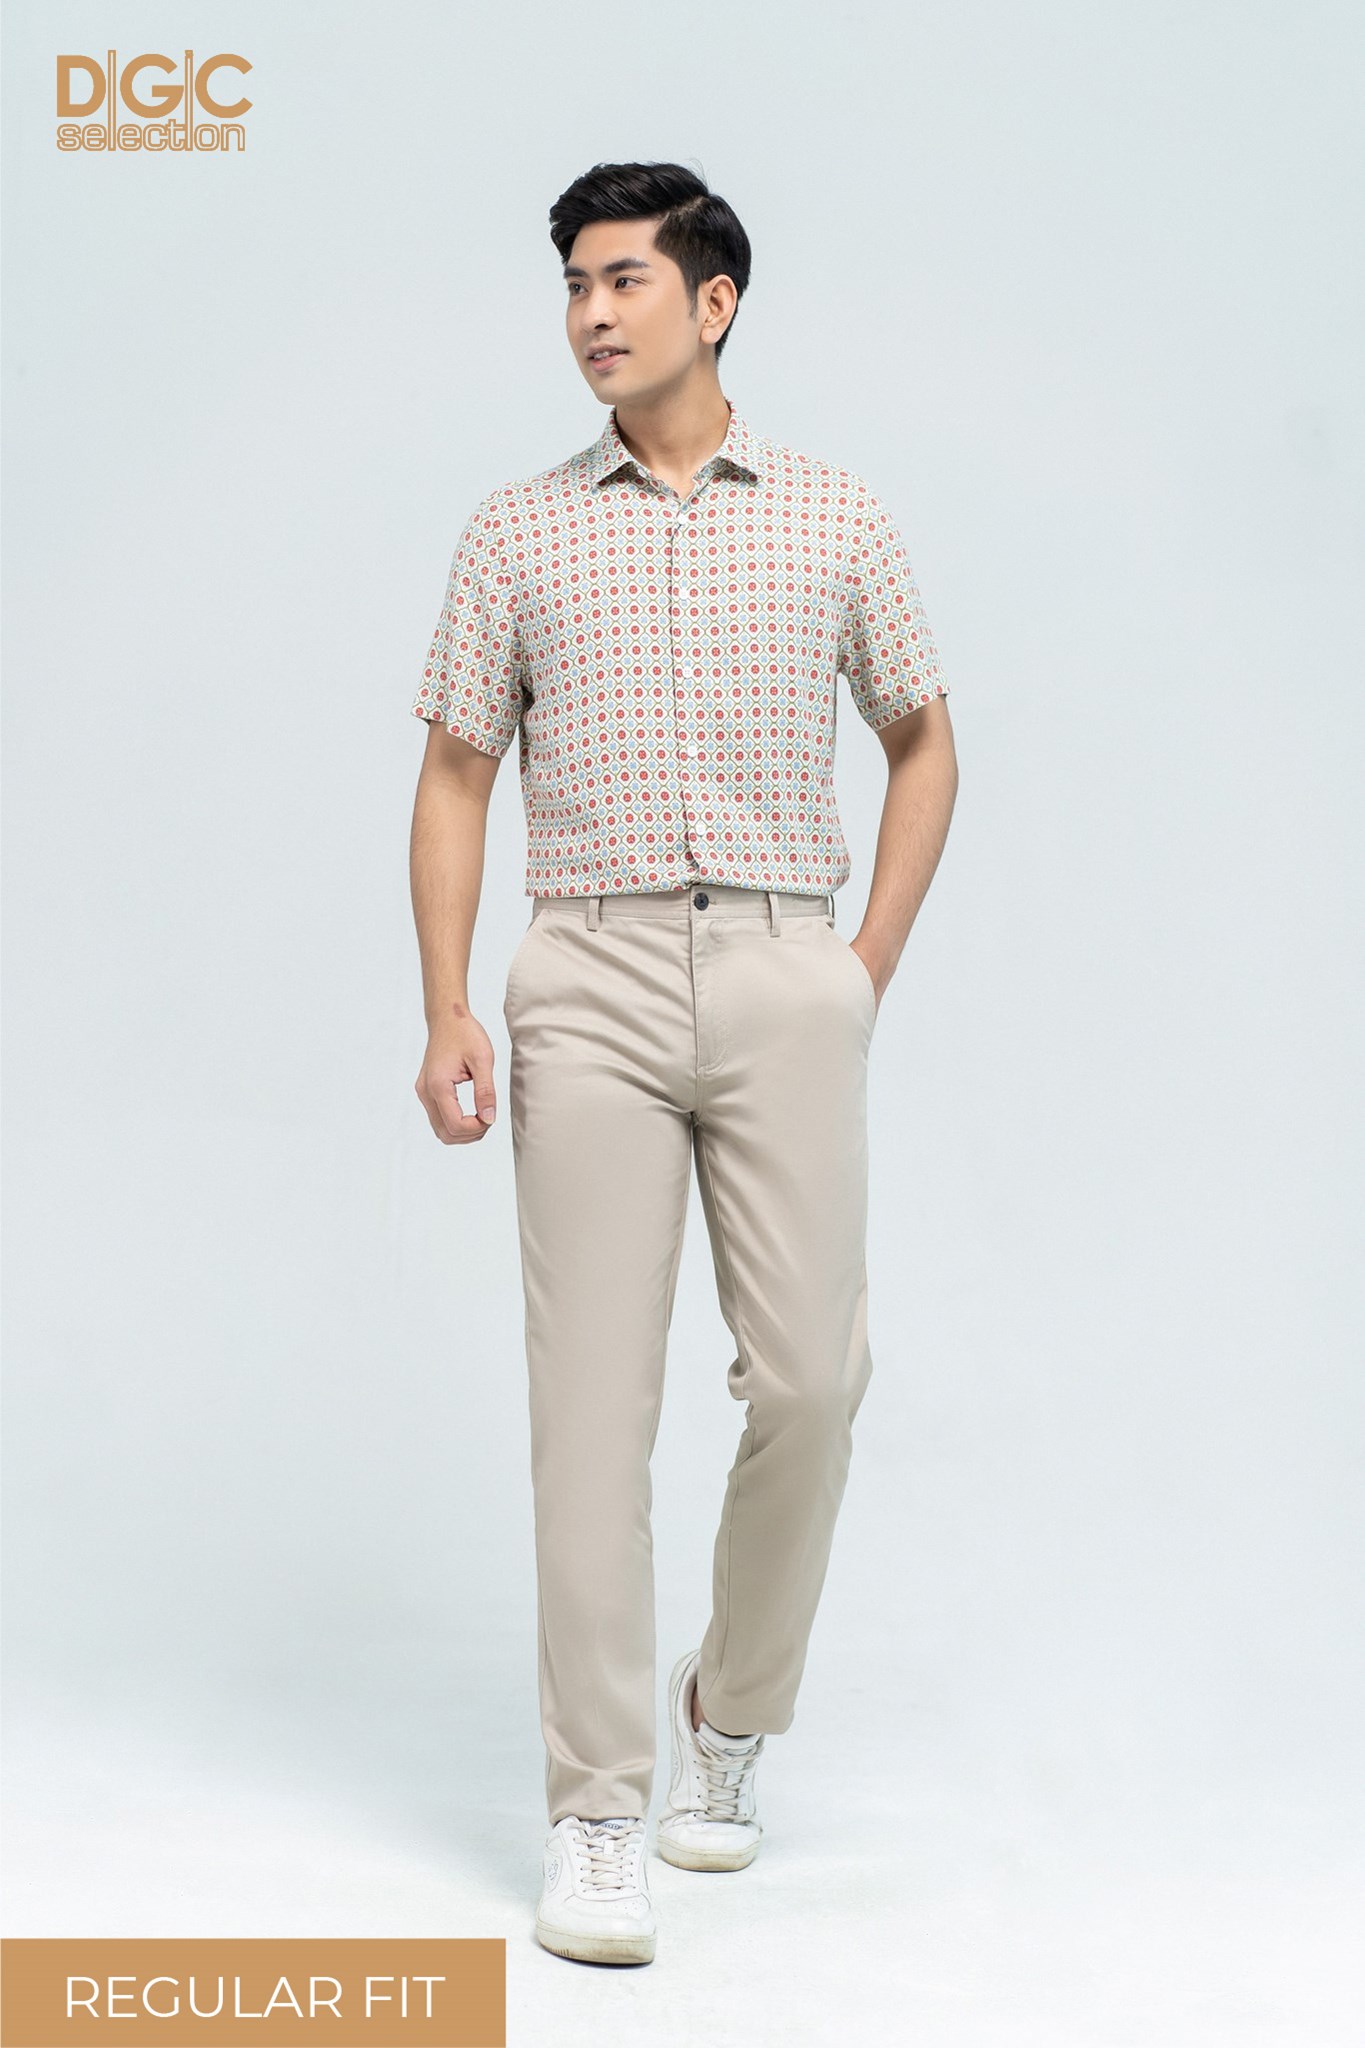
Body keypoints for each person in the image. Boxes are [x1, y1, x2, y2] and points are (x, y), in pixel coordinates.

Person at [408, 160, 958, 1968]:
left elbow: (924, 740)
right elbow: (456, 774)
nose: (590, 313)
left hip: (788, 963)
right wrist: (448, 1004)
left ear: (713, 303)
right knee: (590, 1410)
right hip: (588, 973)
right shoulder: (516, 529)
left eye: (624, 280)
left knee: (812, 1379)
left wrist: (856, 971)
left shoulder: (834, 514)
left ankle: (731, 1708)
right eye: (574, 284)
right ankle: (595, 1811)